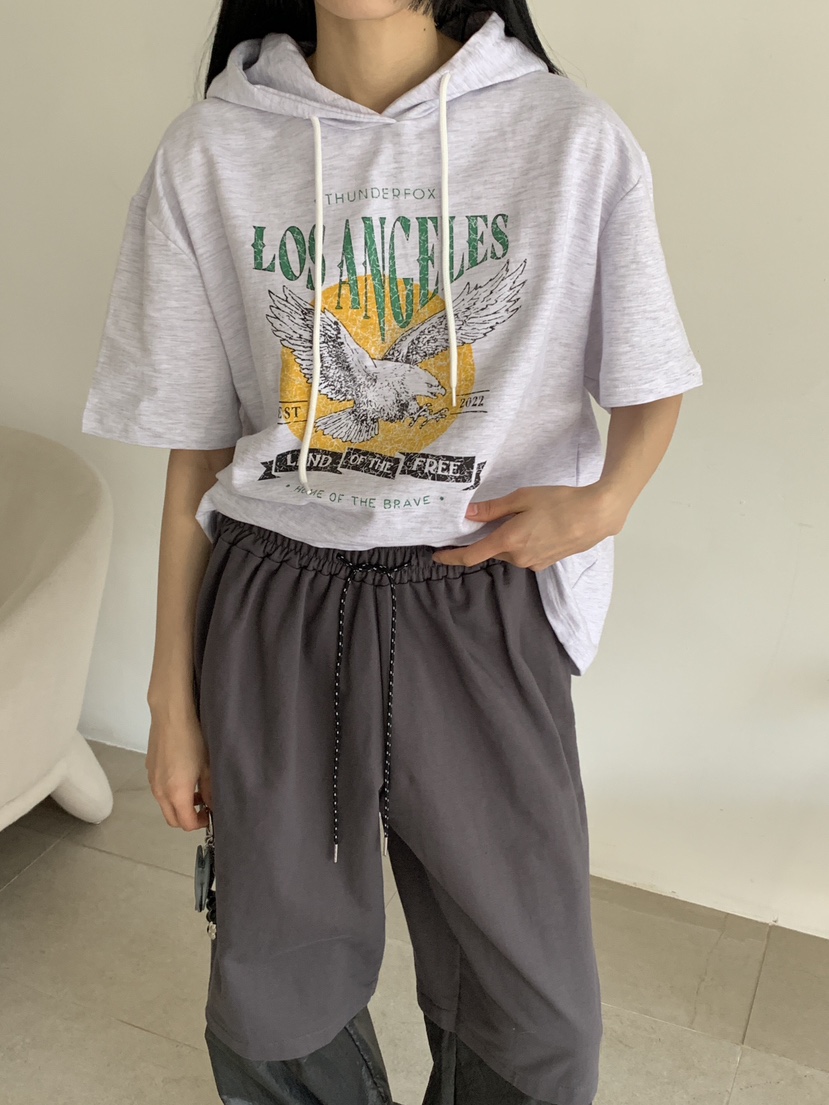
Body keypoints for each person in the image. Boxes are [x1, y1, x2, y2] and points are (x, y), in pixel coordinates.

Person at [81, 2, 704, 1103]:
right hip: (274, 595)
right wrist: (171, 694)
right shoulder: (211, 148)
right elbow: (199, 447)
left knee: (536, 1010)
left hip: (480, 598)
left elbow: (651, 374)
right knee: (275, 985)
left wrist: (604, 504)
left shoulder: (568, 135)